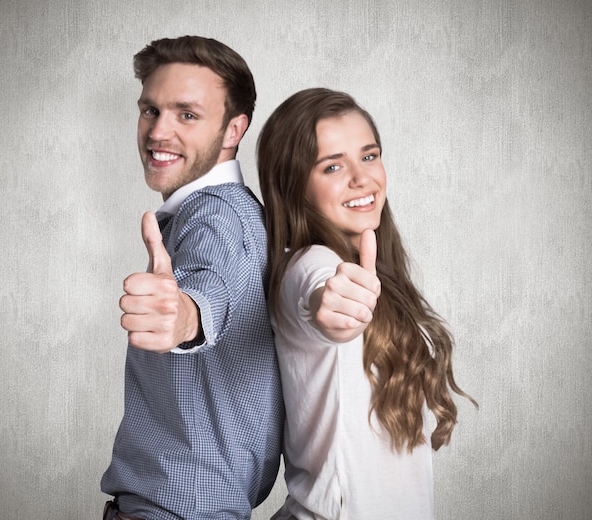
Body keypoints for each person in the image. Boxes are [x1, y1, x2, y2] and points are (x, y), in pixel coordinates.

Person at [256, 88, 476, 519]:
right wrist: (332, 308)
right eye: (332, 166)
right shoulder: (309, 264)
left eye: (369, 156)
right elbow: (318, 295)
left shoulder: (369, 267)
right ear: (294, 186)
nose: (362, 178)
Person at [101, 36, 284, 520]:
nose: (158, 131)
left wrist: (184, 316)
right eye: (150, 110)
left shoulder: (216, 217)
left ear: (232, 130)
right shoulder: (226, 213)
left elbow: (209, 289)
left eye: (187, 114)